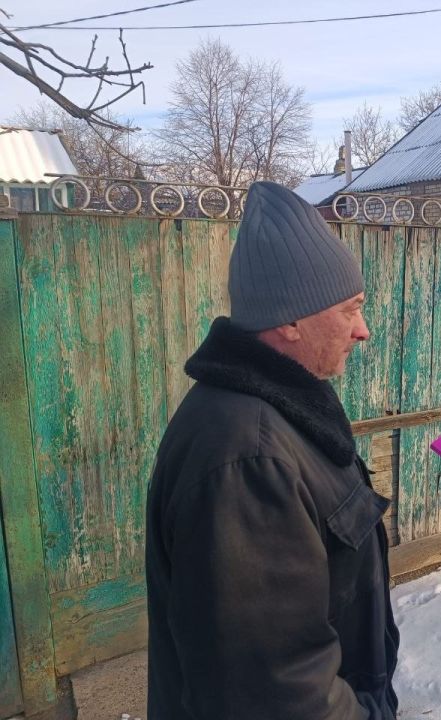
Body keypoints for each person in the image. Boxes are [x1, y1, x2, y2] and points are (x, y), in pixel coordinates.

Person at [146, 181, 399, 719]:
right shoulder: (248, 459)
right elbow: (278, 692)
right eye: (350, 310)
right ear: (290, 320)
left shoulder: (280, 411)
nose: (363, 330)